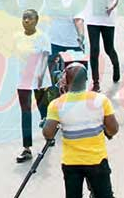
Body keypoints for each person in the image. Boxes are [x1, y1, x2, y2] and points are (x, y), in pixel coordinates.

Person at [42, 64, 119, 198]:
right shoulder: (101, 100)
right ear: (86, 79)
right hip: (97, 161)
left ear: (66, 81)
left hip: (71, 163)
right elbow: (113, 129)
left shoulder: (57, 104)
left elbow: (48, 134)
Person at [62, 0, 119, 91]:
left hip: (107, 21)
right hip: (93, 20)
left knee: (109, 49)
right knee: (94, 50)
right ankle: (96, 82)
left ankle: (115, 65)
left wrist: (112, 6)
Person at [11, 9, 50, 163]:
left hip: (39, 79)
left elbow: (46, 56)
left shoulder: (42, 37)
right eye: (24, 18)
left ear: (37, 20)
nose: (26, 21)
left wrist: (40, 75)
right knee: (25, 112)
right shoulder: (17, 37)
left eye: (30, 18)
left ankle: (49, 135)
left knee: (43, 110)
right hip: (23, 81)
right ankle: (27, 148)